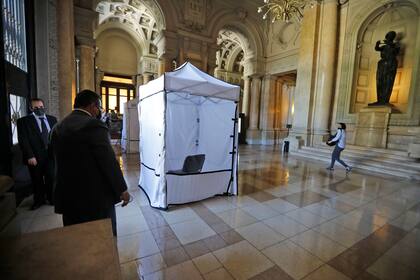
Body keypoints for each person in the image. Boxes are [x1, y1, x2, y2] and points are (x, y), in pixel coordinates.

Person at [51, 90, 130, 236]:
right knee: (102, 239)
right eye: (99, 107)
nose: (99, 111)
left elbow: (53, 160)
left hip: (67, 196)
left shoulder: (58, 126)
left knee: (75, 239)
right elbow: (108, 161)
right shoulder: (94, 125)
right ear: (93, 106)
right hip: (94, 197)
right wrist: (122, 189)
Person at [17, 98, 57, 210]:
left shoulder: (52, 119)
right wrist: (30, 156)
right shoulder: (24, 121)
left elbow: (56, 136)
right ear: (31, 108)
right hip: (35, 156)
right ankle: (39, 200)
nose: (39, 109)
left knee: (51, 177)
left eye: (41, 107)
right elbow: (23, 140)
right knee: (36, 179)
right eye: (36, 108)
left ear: (44, 107)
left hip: (50, 155)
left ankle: (51, 198)